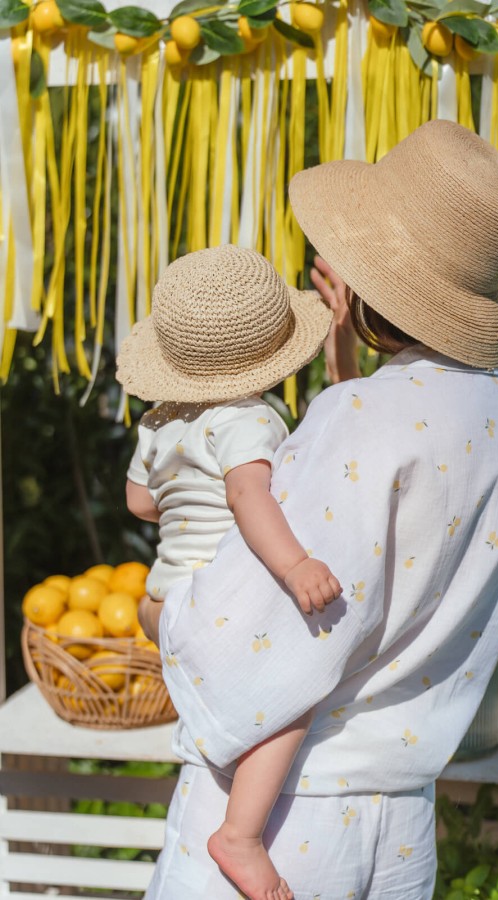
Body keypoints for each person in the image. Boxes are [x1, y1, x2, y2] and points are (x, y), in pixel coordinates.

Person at [140, 119, 498, 900]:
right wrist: (346, 368)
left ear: (367, 283)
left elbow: (267, 631)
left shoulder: (357, 416)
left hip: (283, 816)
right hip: (399, 823)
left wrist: (165, 615)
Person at [116, 244, 342, 900]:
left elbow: (138, 501)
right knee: (290, 696)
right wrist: (295, 563)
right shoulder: (249, 419)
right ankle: (240, 833)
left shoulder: (156, 421)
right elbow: (249, 497)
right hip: (217, 600)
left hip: (167, 595)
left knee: (243, 704)